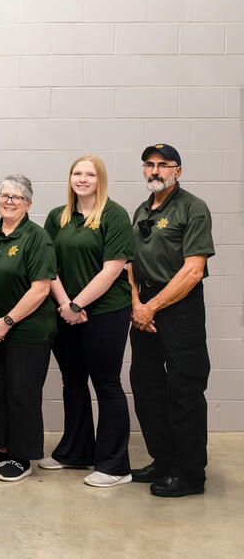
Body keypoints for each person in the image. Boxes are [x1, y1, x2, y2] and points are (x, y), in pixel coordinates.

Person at [43, 155, 135, 488]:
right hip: (66, 310)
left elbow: (112, 270)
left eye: (90, 174)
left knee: (106, 384)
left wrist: (78, 303)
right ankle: (75, 452)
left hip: (106, 311)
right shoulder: (58, 217)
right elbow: (47, 264)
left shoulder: (115, 215)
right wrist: (66, 303)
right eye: (77, 173)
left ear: (100, 179)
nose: (82, 179)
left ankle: (114, 466)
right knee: (73, 381)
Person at [129, 144, 215, 497]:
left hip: (179, 306)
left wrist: (153, 307)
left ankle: (190, 472)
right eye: (149, 164)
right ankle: (163, 459)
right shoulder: (141, 209)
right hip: (144, 305)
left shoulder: (193, 208)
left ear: (177, 170)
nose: (155, 170)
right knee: (147, 387)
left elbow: (193, 271)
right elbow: (129, 263)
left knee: (184, 390)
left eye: (163, 165)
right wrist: (137, 304)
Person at [0, 175, 57, 482]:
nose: (8, 201)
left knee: (22, 392)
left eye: (16, 197)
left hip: (27, 330)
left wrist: (6, 322)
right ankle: (0, 448)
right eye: (4, 195)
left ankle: (22, 456)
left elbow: (40, 289)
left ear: (28, 204)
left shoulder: (37, 237)